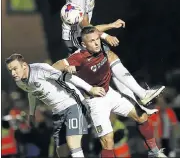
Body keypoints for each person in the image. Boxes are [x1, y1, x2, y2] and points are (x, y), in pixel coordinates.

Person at [38, 0, 165, 108]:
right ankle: (139, 94)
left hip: (78, 35)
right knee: (109, 59)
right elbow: (85, 26)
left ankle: (135, 97)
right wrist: (105, 35)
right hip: (77, 38)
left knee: (109, 64)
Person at [52, 26, 167, 157]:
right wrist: (66, 68)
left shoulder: (102, 48)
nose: (96, 43)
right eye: (92, 41)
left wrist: (108, 34)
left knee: (141, 116)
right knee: (108, 141)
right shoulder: (78, 57)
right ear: (84, 44)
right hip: (95, 102)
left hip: (110, 93)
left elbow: (96, 29)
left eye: (97, 40)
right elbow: (53, 67)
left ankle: (154, 152)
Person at [5, 53, 106, 158]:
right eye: (10, 70)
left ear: (24, 65)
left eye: (15, 69)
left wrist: (90, 89)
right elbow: (31, 93)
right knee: (60, 150)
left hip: (72, 103)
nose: (13, 73)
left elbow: (68, 77)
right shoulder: (20, 82)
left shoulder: (40, 70)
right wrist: (32, 113)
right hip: (58, 111)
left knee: (73, 142)